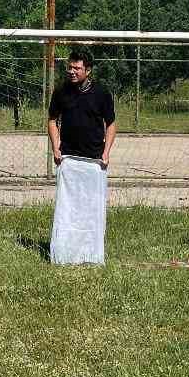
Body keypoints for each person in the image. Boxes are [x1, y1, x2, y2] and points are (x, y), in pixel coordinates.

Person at [46, 49, 117, 265]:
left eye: (77, 68)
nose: (72, 71)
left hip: (94, 162)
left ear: (88, 69)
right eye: (70, 67)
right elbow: (52, 120)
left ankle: (91, 255)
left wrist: (106, 153)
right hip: (69, 160)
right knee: (68, 210)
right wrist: (56, 148)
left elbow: (111, 124)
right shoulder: (61, 92)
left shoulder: (102, 94)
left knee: (91, 211)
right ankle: (64, 254)